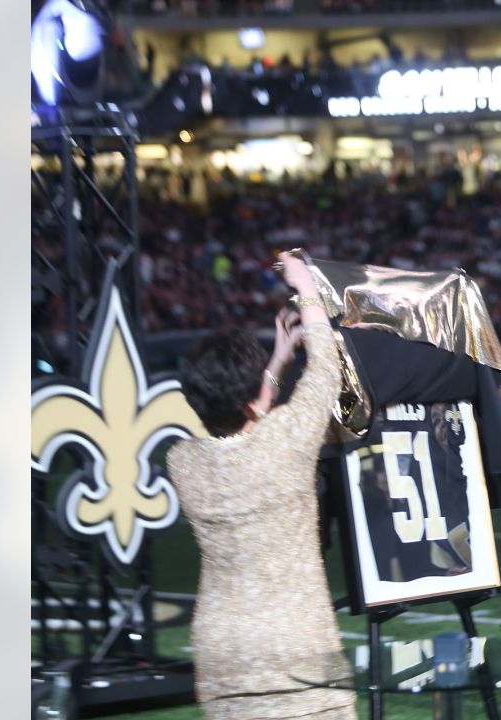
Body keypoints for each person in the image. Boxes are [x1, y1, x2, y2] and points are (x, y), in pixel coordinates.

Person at [167, 253, 357, 720]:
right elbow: (326, 371)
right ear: (253, 400)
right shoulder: (287, 441)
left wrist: (273, 366)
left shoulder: (182, 462)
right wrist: (305, 286)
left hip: (223, 655)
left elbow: (243, 422)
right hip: (299, 648)